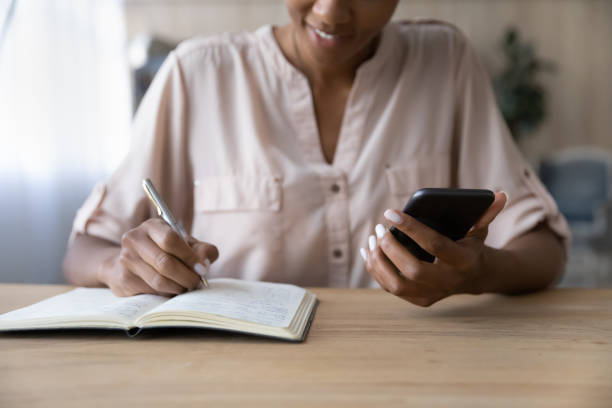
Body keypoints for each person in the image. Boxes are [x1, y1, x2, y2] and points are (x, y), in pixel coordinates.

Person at [63, 0, 569, 307]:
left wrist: (480, 273)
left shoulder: (446, 62)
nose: (331, 13)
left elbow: (543, 245)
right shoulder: (196, 75)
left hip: (412, 373)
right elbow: (83, 251)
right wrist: (120, 266)